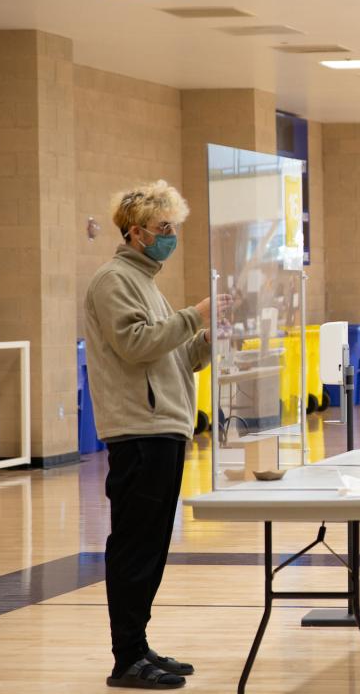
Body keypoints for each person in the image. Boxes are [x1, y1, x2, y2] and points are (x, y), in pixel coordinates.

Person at [84, 180, 228, 690]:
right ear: (136, 232)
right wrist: (195, 315)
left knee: (152, 546)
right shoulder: (113, 280)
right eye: (164, 228)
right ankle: (125, 658)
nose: (172, 236)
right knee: (134, 546)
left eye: (174, 227)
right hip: (138, 431)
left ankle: (139, 646)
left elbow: (175, 358)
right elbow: (135, 345)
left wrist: (208, 339)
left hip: (165, 428)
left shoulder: (148, 283)